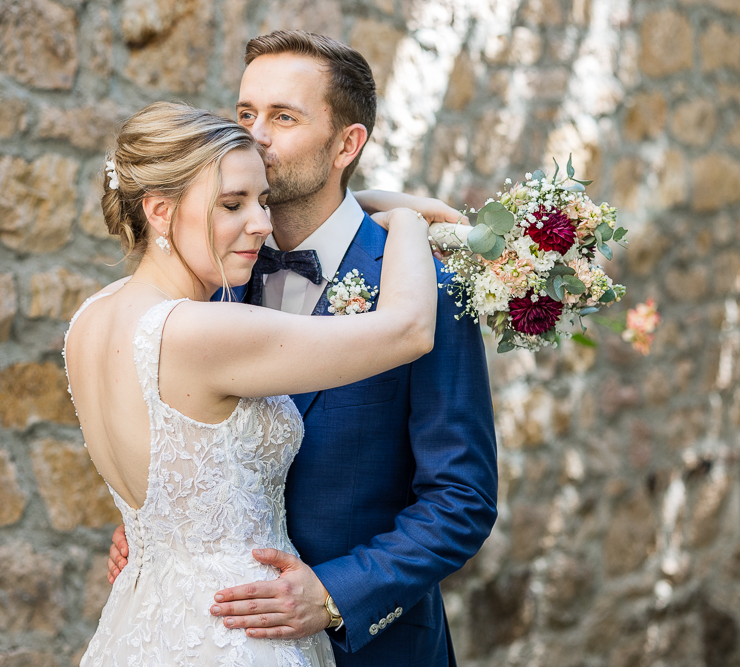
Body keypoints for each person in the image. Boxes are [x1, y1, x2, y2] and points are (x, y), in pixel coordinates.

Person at [107, 31, 499, 667]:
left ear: (346, 144)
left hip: (374, 648)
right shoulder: (207, 276)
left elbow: (462, 499)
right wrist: (161, 524)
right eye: (245, 114)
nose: (255, 136)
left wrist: (335, 594)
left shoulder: (427, 289)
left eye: (283, 117)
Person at [64, 101, 439, 666]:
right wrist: (410, 219)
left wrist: (362, 205)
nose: (261, 224)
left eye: (262, 200)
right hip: (239, 631)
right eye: (232, 205)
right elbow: (408, 329)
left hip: (145, 621)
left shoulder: (90, 319)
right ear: (161, 211)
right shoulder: (201, 331)